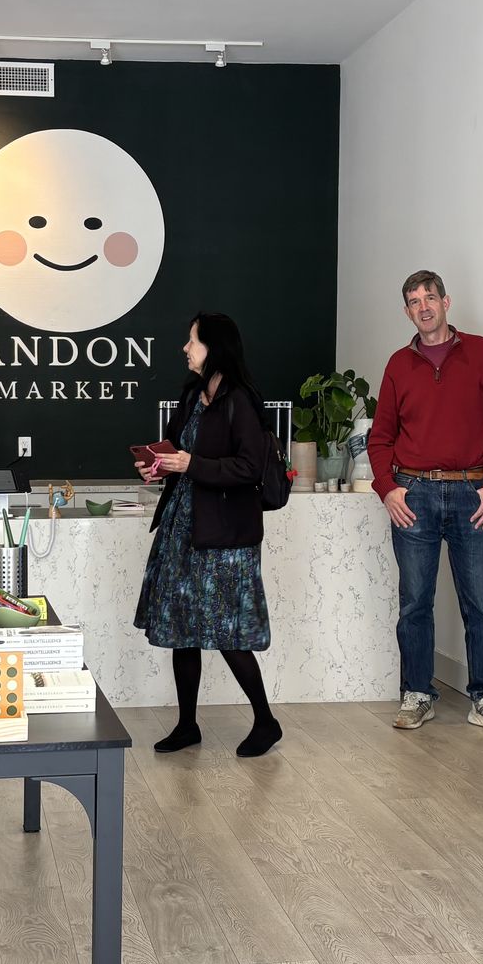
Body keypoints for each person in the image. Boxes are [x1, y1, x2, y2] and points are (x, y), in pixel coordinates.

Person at [366, 270, 483, 735]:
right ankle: (418, 693)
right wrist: (387, 488)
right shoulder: (398, 364)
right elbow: (380, 439)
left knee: (481, 602)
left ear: (446, 301)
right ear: (408, 311)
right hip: (413, 495)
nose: (423, 307)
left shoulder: (481, 353)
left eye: (429, 298)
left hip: (475, 494)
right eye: (413, 302)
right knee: (415, 601)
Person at [133, 312, 282, 758]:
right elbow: (175, 451)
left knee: (228, 631)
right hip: (184, 528)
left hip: (224, 537)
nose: (185, 348)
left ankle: (265, 721)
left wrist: (189, 464)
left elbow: (249, 468)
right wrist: (155, 465)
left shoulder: (240, 400)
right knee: (183, 628)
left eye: (192, 341)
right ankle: (186, 725)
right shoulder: (192, 395)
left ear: (215, 347)